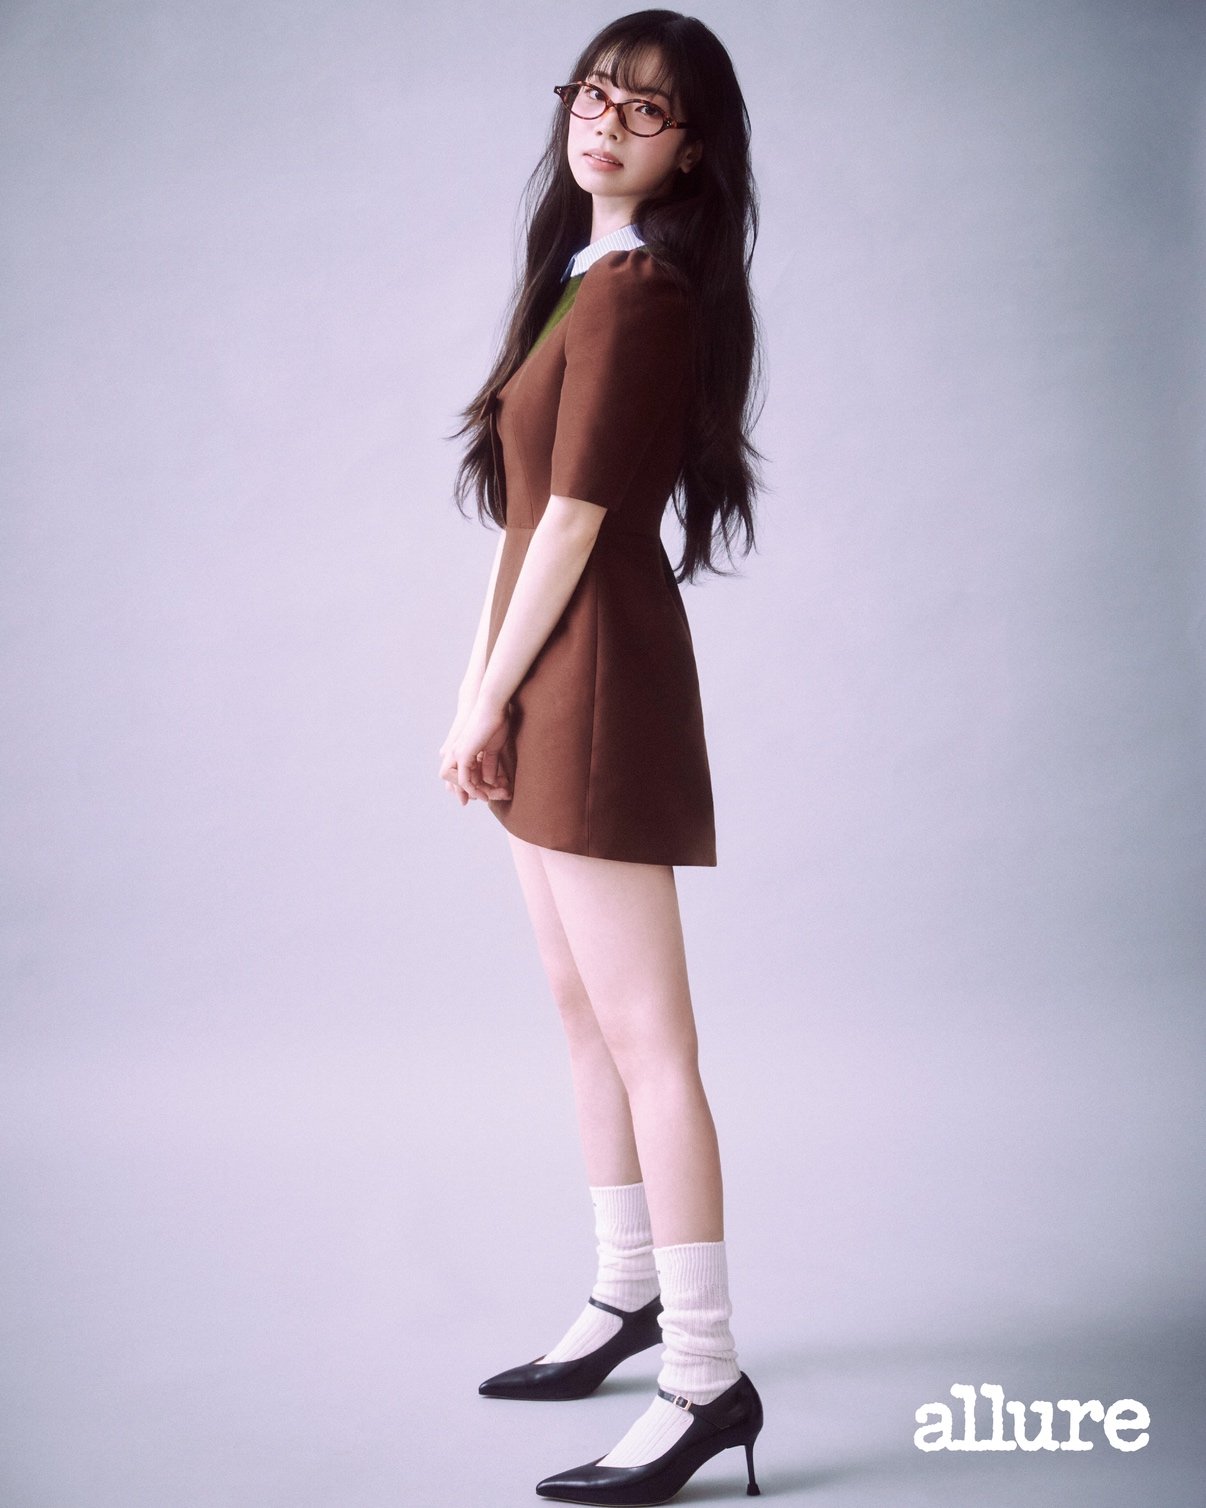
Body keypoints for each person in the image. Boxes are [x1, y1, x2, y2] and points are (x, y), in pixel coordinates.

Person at [438, 10, 765, 1502]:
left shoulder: (641, 295)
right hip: (542, 670)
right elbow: (519, 525)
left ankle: (704, 1376)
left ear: (691, 150)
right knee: (581, 1012)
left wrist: (488, 701)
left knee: (650, 1044)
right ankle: (626, 1292)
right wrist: (473, 692)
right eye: (593, 93)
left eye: (646, 110)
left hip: (598, 679)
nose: (606, 122)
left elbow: (574, 521)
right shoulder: (580, 275)